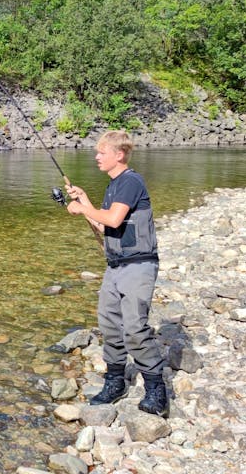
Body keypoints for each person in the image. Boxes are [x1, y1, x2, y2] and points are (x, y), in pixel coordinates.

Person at [64, 130, 168, 417]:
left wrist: (80, 207)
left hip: (138, 266)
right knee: (109, 325)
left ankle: (157, 391)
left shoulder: (130, 182)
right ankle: (115, 382)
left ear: (119, 155)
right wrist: (84, 203)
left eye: (101, 152)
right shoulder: (113, 186)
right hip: (115, 266)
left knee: (135, 328)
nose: (96, 157)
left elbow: (112, 218)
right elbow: (104, 226)